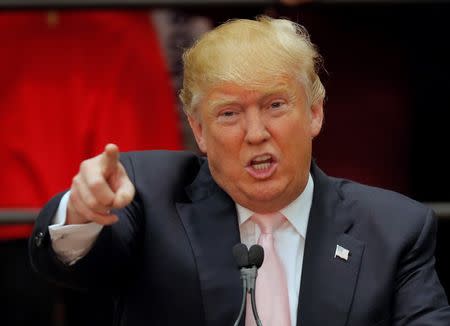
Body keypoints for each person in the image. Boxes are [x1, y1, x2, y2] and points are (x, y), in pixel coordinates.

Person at [29, 16, 450, 326]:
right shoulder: (149, 193)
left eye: (275, 105)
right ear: (199, 130)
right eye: (229, 113)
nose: (256, 133)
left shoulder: (394, 229)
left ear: (315, 112)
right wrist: (82, 212)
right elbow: (70, 263)